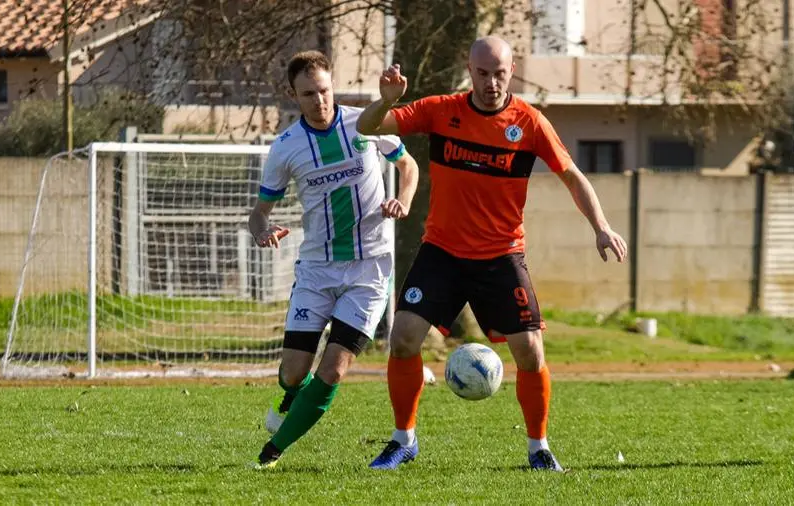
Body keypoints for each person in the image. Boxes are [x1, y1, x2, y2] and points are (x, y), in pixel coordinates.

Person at [357, 36, 627, 471]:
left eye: (499, 73)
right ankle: (402, 440)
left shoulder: (531, 123)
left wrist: (601, 226)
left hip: (501, 256)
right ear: (470, 70)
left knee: (531, 352)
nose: (491, 82)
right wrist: (386, 100)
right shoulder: (442, 110)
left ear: (512, 70)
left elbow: (572, 176)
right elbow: (368, 127)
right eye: (482, 73)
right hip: (442, 252)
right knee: (403, 338)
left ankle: (539, 448)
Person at [249, 50, 420, 469]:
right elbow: (260, 211)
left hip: (369, 269)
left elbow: (409, 165)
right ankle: (293, 395)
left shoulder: (364, 123)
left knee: (335, 367)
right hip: (317, 270)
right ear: (295, 96)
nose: (319, 100)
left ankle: (272, 452)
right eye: (308, 94)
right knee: (293, 373)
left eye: (324, 90)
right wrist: (260, 229)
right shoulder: (286, 147)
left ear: (332, 86)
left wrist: (404, 199)